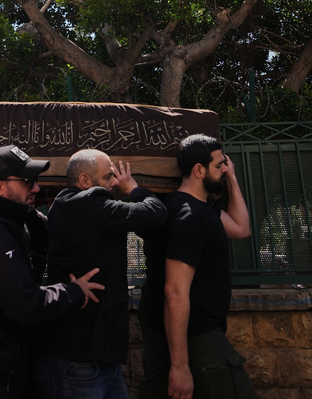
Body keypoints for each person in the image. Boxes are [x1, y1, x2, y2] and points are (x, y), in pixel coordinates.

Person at [0, 144, 105, 399]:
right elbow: (26, 303)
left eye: (35, 181)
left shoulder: (6, 222)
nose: (35, 188)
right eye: (27, 181)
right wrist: (73, 291)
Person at [32, 149, 168, 399]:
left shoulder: (68, 204)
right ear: (85, 181)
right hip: (78, 359)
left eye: (116, 177)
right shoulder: (88, 204)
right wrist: (133, 188)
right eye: (108, 177)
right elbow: (156, 213)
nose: (115, 182)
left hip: (93, 356)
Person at [137, 134, 256, 399]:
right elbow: (175, 292)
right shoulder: (188, 217)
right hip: (196, 336)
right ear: (198, 170)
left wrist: (231, 179)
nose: (224, 169)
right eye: (218, 166)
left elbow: (242, 228)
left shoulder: (194, 209)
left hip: (169, 330)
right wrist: (180, 366)